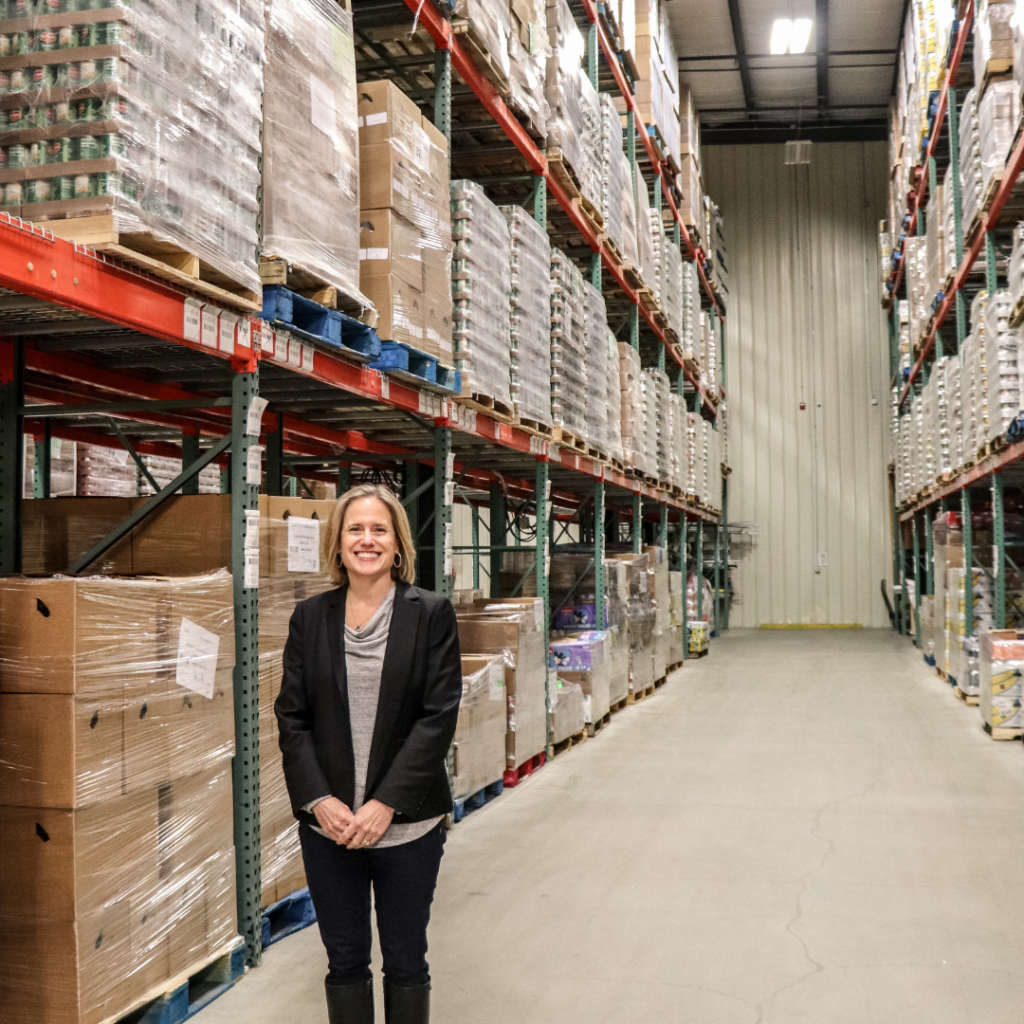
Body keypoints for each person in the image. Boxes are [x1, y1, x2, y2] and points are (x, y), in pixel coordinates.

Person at [275, 483, 462, 1024]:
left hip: (407, 828)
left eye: (379, 529)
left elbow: (437, 717)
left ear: (398, 544)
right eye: (355, 529)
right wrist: (318, 800)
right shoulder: (310, 618)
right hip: (330, 829)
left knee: (405, 961)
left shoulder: (430, 614)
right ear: (337, 544)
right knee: (344, 961)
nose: (366, 539)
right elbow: (292, 717)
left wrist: (385, 804)